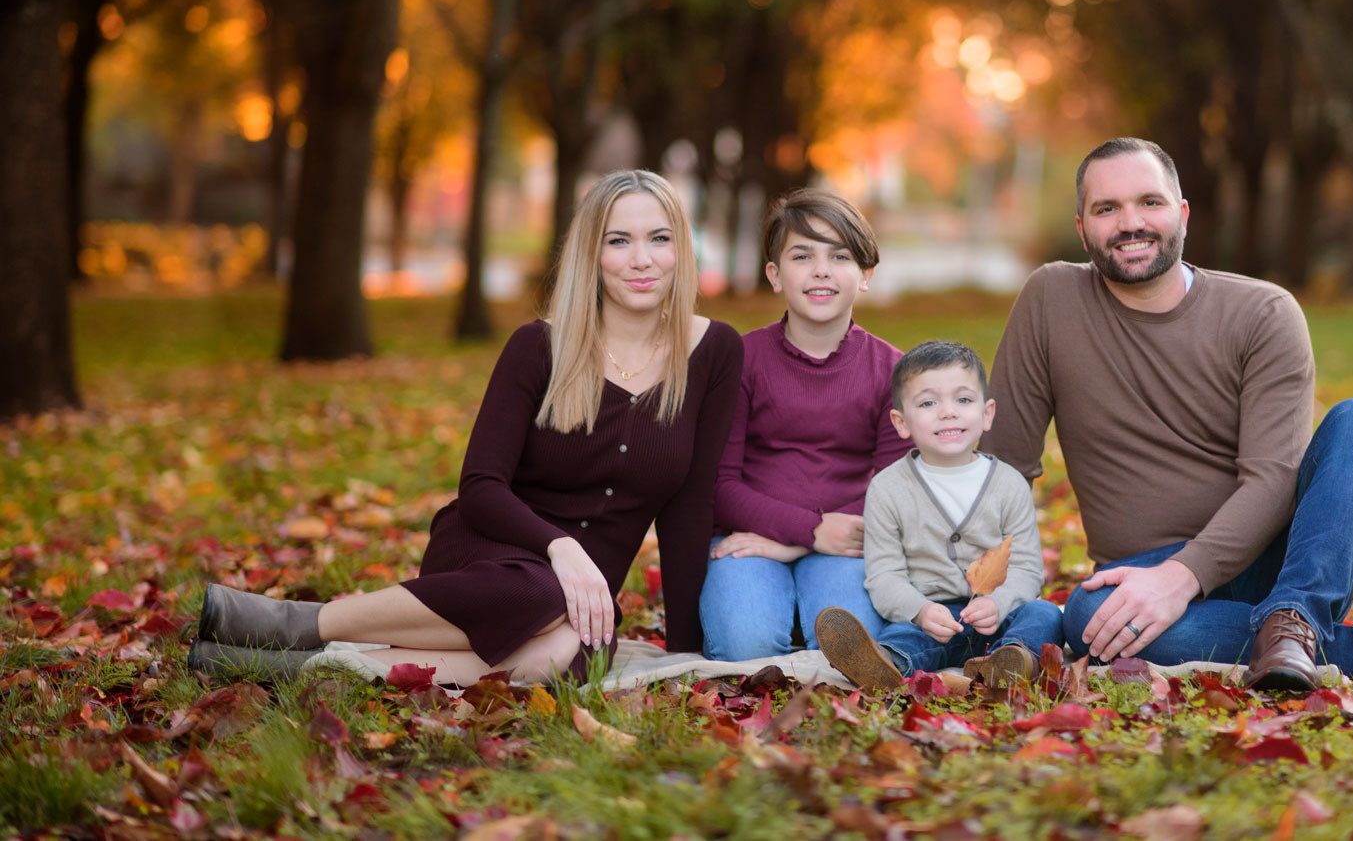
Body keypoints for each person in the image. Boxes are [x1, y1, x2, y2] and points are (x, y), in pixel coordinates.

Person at [982, 137, 1353, 690]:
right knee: (1092, 621)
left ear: (1182, 214)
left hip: (1277, 557)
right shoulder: (1050, 300)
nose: (1130, 222)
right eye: (1106, 209)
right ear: (1082, 226)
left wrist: (1183, 577)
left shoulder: (1263, 312)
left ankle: (1296, 615)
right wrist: (971, 586)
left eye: (1150, 202)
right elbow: (1002, 467)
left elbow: (1273, 479)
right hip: (1138, 570)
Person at [189, 170, 743, 686]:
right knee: (540, 596)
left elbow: (690, 507)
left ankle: (314, 664)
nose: (642, 260)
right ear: (591, 254)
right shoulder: (537, 347)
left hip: (576, 599)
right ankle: (302, 622)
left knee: (575, 653)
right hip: (490, 554)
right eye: (618, 241)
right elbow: (480, 488)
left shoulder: (714, 351)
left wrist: (684, 651)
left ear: (681, 249)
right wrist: (561, 548)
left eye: (660, 239)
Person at [698, 189, 907, 660]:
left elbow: (896, 486)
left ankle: (801, 610)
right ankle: (776, 613)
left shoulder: (894, 372)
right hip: (748, 532)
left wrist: (804, 543)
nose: (821, 270)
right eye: (801, 255)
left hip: (847, 538)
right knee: (744, 645)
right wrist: (806, 531)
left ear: (866, 275)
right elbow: (720, 483)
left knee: (854, 649)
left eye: (840, 256)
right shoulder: (741, 360)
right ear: (774, 274)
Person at [815, 340, 1063, 689]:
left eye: (963, 400)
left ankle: (1010, 661)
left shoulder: (1009, 484)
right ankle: (885, 663)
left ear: (987, 413)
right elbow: (884, 576)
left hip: (999, 617)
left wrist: (1000, 602)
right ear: (901, 423)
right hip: (931, 621)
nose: (948, 412)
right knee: (903, 636)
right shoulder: (888, 489)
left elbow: (1026, 567)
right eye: (928, 403)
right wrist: (920, 610)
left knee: (1045, 614)